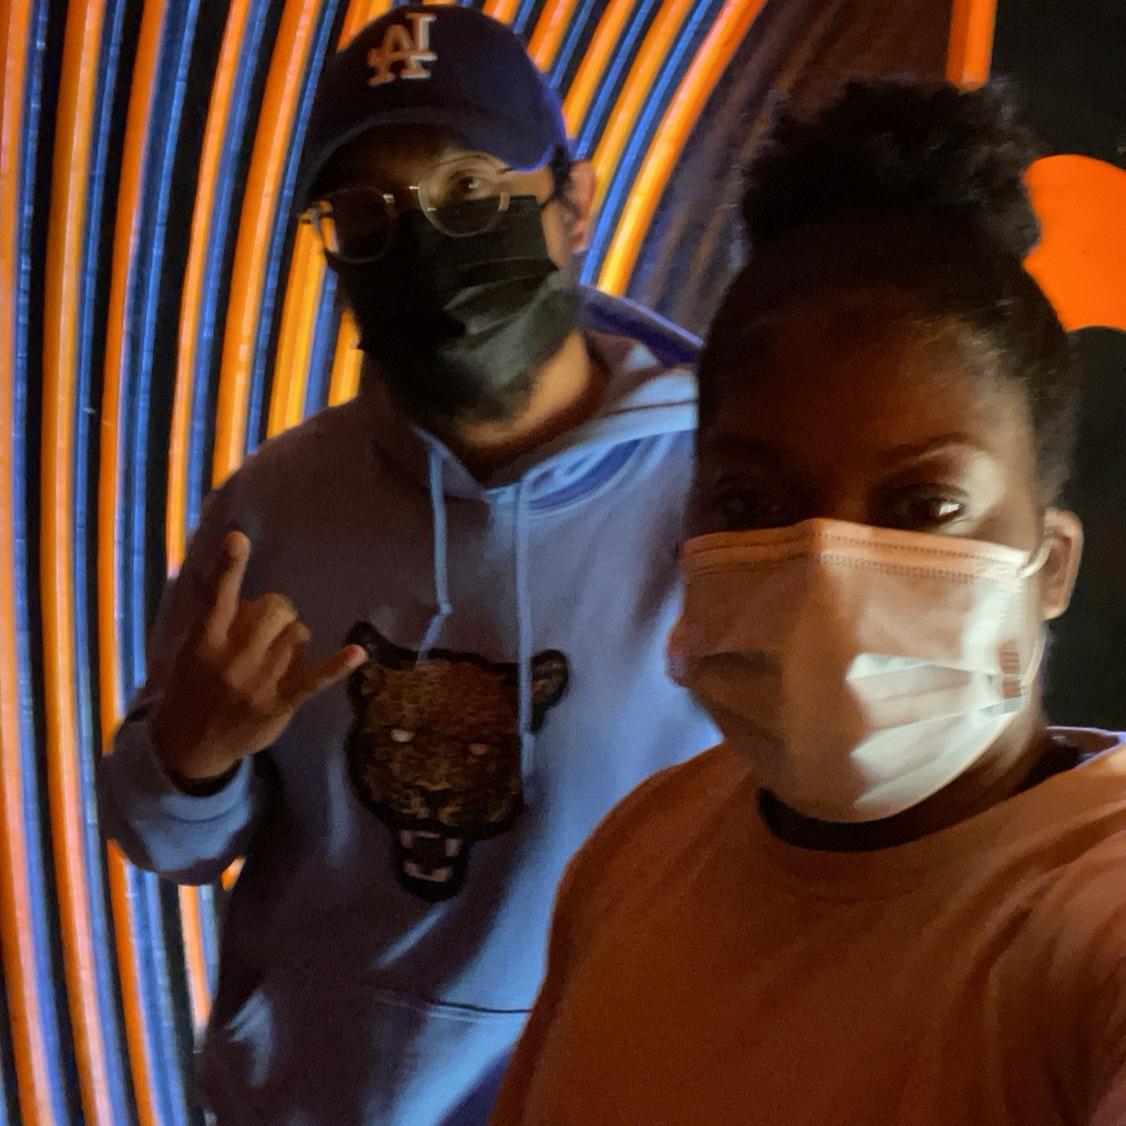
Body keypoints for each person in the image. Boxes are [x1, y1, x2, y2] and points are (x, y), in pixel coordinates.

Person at [97, 7, 716, 1124]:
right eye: (366, 213)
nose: (425, 245)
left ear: (572, 201)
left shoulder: (725, 498)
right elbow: (159, 837)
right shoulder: (272, 507)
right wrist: (188, 760)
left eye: (469, 190)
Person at [492, 80, 1126, 1126]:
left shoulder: (1089, 914)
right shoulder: (639, 848)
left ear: (1050, 564)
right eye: (750, 500)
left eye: (924, 506)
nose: (828, 567)